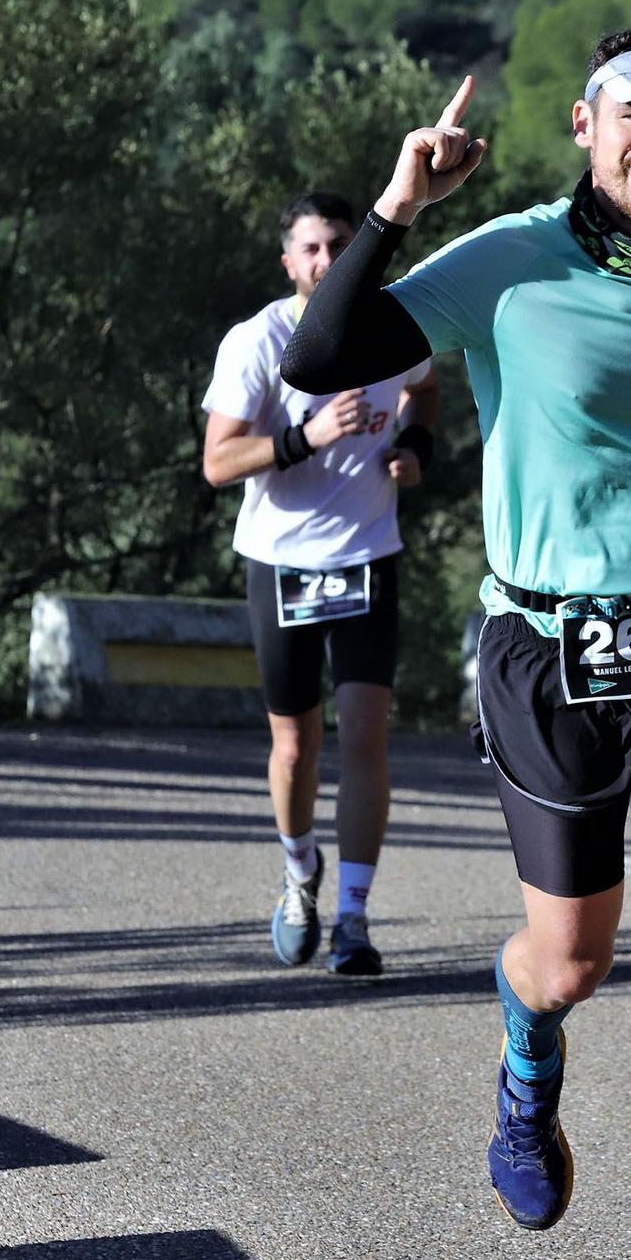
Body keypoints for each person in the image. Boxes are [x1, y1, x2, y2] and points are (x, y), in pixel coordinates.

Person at [279, 25, 631, 1260]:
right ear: (587, 129)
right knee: (571, 957)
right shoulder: (508, 261)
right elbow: (317, 361)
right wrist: (399, 203)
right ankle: (528, 1053)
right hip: (546, 646)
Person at [200, 191, 439, 977]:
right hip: (282, 562)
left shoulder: (390, 328)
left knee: (366, 737)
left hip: (368, 553)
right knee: (296, 745)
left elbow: (424, 389)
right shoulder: (258, 340)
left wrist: (413, 447)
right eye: (312, 248)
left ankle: (355, 919)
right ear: (289, 261)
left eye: (341, 243)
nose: (329, 261)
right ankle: (301, 872)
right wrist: (304, 437)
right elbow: (217, 461)